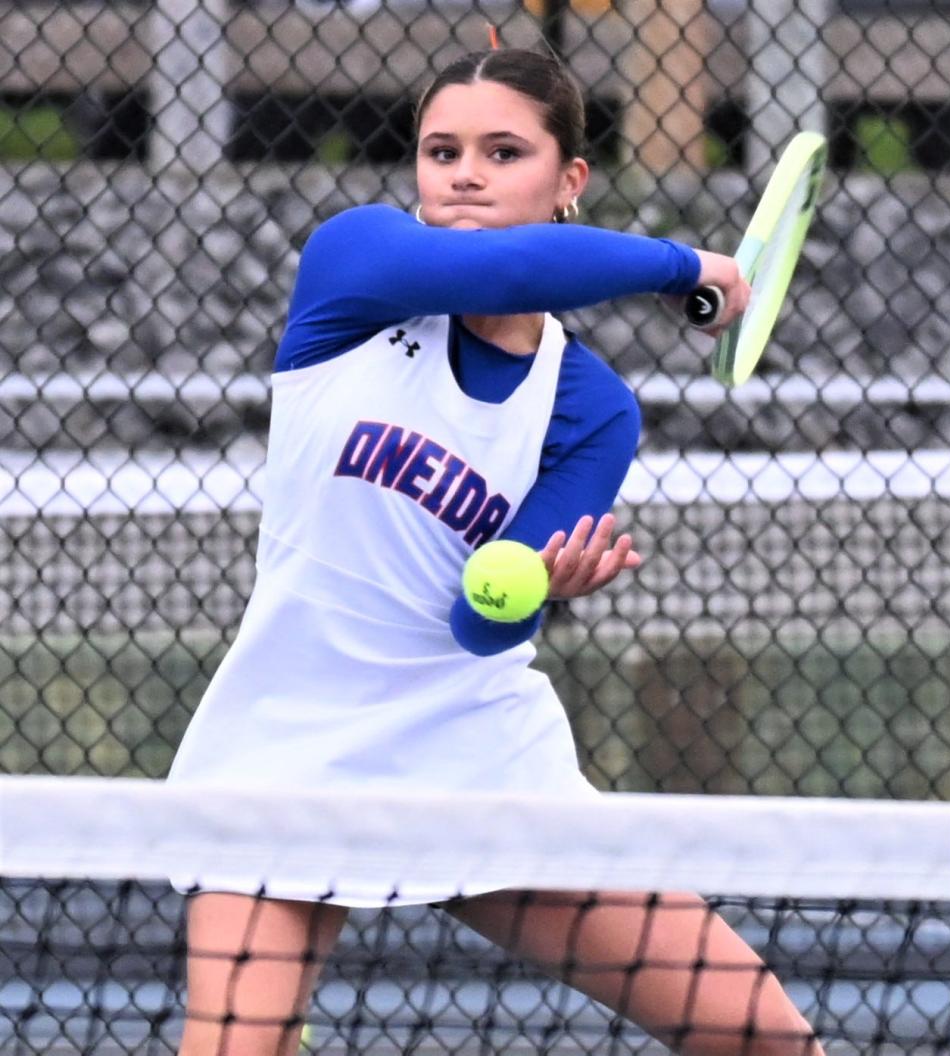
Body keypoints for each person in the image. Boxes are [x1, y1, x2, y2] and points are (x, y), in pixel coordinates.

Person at [168, 46, 824, 1056]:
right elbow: (500, 268)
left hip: (477, 756)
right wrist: (684, 266)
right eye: (442, 150)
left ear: (570, 182)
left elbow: (478, 621)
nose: (463, 174)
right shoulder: (358, 266)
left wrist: (539, 592)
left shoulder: (591, 406)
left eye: (502, 150)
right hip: (283, 750)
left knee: (766, 1040)